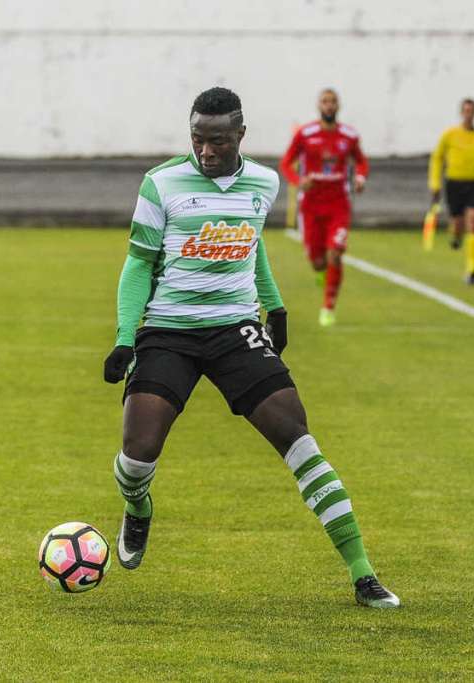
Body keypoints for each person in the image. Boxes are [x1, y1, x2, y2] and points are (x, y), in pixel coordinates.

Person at [103, 87, 399, 608]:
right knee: (137, 453)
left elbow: (251, 239)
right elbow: (138, 266)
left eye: (217, 140)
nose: (206, 150)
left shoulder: (264, 182)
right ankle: (138, 506)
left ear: (240, 135)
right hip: (169, 329)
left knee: (298, 437)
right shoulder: (161, 183)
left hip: (234, 328)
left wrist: (275, 305)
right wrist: (126, 339)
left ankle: (363, 573)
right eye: (198, 139)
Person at [280, 89, 368, 327]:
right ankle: (322, 273)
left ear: (338, 106)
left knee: (335, 254)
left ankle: (328, 307)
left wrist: (360, 178)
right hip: (310, 204)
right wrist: (299, 181)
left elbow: (361, 161)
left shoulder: (349, 135)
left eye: (333, 102)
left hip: (338, 203)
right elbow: (286, 163)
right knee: (318, 261)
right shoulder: (306, 134)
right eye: (325, 102)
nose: (329, 106)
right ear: (319, 105)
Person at [429, 98, 474, 285]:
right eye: (465, 110)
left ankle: (472, 268)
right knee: (458, 223)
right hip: (455, 182)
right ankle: (456, 237)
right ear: (461, 112)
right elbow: (437, 159)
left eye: (471, 111)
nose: (468, 114)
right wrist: (435, 183)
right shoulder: (450, 135)